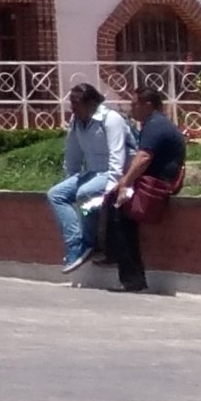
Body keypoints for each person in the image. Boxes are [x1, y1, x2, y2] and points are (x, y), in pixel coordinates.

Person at [105, 82, 188, 293]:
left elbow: (143, 157)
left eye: (135, 104)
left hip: (156, 186)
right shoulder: (155, 123)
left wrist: (124, 182)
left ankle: (128, 275)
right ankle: (113, 256)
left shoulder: (155, 125)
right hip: (154, 182)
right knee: (112, 203)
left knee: (118, 211)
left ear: (148, 104)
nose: (132, 108)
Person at [49, 83, 122, 276]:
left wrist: (112, 187)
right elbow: (73, 154)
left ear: (90, 103)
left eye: (75, 104)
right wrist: (70, 179)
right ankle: (75, 243)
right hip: (92, 172)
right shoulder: (76, 121)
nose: (71, 108)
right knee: (56, 194)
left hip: (112, 171)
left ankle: (90, 243)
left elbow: (118, 155)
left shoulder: (110, 119)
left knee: (85, 193)